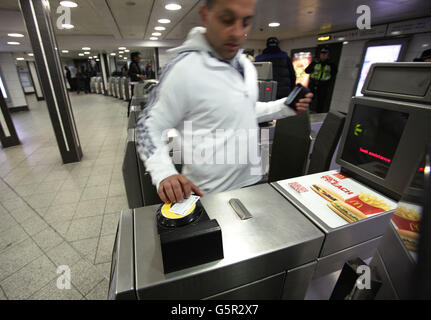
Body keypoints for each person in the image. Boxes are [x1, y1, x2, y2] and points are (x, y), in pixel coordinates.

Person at [136, 0, 313, 204]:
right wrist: (164, 173)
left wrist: (284, 107)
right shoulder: (184, 69)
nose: (237, 32)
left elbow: (245, 110)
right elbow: (146, 128)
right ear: (206, 16)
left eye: (246, 22)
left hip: (252, 180)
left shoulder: (245, 65)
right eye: (227, 20)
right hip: (209, 191)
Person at [305, 47, 338, 113]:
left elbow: (334, 74)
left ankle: (318, 114)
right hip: (313, 84)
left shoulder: (331, 64)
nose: (323, 55)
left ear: (328, 55)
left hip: (323, 85)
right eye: (322, 54)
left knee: (321, 101)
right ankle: (305, 112)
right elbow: (307, 70)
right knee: (309, 99)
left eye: (325, 54)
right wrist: (312, 68)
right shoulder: (315, 62)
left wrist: (328, 82)